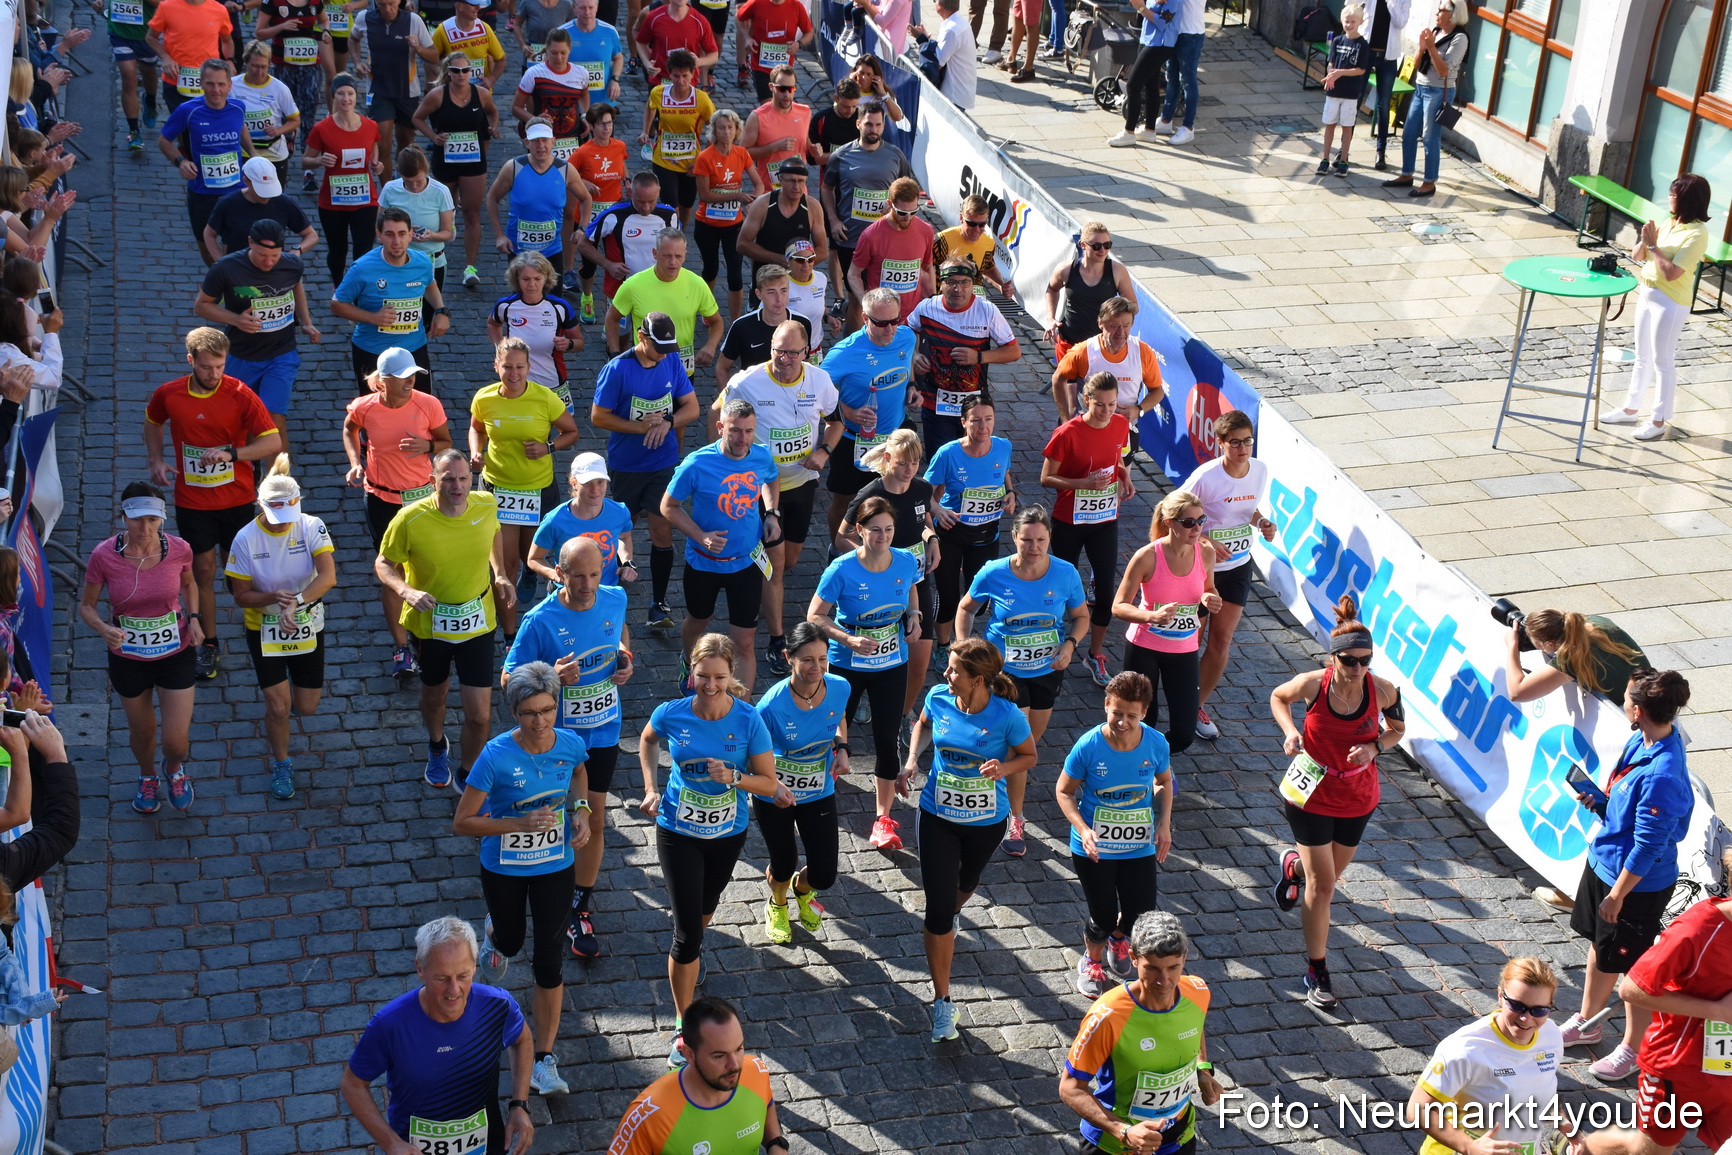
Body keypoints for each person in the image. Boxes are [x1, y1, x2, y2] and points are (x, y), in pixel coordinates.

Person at [637, 633, 790, 1064]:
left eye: (719, 678)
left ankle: (692, 958)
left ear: (730, 676)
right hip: (677, 829)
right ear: (691, 671)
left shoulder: (748, 720)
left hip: (726, 833)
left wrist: (734, 778)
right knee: (686, 934)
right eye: (702, 676)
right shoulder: (672, 713)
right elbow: (647, 740)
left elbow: (768, 782)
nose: (710, 685)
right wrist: (651, 787)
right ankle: (683, 1030)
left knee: (703, 914)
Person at [454, 660, 592, 1095]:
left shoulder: (569, 744)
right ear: (515, 713)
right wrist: (518, 825)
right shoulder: (495, 755)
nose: (540, 721)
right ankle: (495, 932)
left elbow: (580, 772)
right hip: (504, 868)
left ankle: (544, 1059)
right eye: (530, 712)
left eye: (548, 710)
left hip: (555, 864)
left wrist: (583, 811)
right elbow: (464, 822)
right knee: (512, 942)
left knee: (548, 960)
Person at [1267, 593, 1406, 1009]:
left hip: (1357, 797)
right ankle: (1317, 967)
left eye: (1366, 660)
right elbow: (1278, 697)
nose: (1359, 668)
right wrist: (1291, 732)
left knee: (1325, 877)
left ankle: (1292, 866)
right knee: (1323, 886)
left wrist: (1375, 748)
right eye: (1350, 661)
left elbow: (1398, 729)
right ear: (1334, 659)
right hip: (1310, 793)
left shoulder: (1383, 690)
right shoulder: (1313, 684)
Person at [1558, 668, 1695, 1083]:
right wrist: (1602, 803)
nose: (1621, 703)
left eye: (1625, 698)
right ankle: (1588, 1021)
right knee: (1603, 948)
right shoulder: (1644, 738)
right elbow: (1628, 812)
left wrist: (1617, 896)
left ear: (1637, 709)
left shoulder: (1663, 772)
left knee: (1635, 970)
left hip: (1633, 886)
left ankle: (1634, 1049)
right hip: (1607, 862)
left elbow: (1650, 845)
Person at [898, 637, 1035, 1041]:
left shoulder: (1007, 715)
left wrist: (1003, 766)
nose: (946, 674)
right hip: (937, 812)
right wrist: (911, 763)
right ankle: (942, 1002)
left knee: (967, 882)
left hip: (985, 821)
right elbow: (922, 724)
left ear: (978, 680)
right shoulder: (940, 697)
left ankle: (956, 908)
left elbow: (1029, 756)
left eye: (955, 670)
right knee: (938, 910)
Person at [145, 326, 284, 683]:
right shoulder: (170, 393)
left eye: (220, 366)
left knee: (238, 572)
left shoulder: (240, 394)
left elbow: (272, 443)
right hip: (193, 500)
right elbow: (153, 420)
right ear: (191, 361)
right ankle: (209, 643)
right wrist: (156, 461)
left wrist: (233, 454)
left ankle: (264, 626)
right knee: (203, 571)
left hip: (236, 499)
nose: (214, 374)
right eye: (207, 367)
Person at [375, 448, 516, 789]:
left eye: (463, 478)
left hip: (478, 621)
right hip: (430, 627)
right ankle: (438, 745)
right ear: (431, 481)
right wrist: (406, 591)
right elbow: (382, 563)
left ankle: (468, 772)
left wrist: (499, 573)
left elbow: (494, 532)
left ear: (472, 478)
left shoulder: (485, 505)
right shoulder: (409, 519)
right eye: (448, 479)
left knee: (480, 714)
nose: (457, 486)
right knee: (434, 696)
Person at [955, 505, 1087, 857]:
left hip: (1047, 670)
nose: (1033, 547)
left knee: (1024, 748)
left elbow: (1080, 617)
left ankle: (998, 786)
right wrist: (962, 647)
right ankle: (1015, 818)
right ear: (1014, 538)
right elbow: (966, 607)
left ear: (1049, 539)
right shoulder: (994, 572)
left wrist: (1070, 645)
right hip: (1005, 672)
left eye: (1040, 540)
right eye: (1026, 540)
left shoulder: (1065, 573)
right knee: (1019, 745)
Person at [341, 917, 535, 1155]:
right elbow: (352, 1083)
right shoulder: (390, 1024)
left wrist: (519, 1105)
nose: (454, 990)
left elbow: (522, 1039)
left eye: (463, 976)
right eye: (442, 979)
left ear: (474, 966)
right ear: (420, 969)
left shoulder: (497, 1007)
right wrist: (391, 1142)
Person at [714, 320, 842, 675]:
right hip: (759, 489)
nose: (784, 359)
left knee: (789, 560)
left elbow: (837, 421)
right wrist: (733, 459)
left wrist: (825, 452)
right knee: (774, 568)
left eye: (792, 352)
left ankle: (756, 576)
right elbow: (717, 416)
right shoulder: (747, 381)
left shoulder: (819, 380)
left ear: (807, 351)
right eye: (777, 350)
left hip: (801, 482)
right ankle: (776, 638)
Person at [1584, 854, 1732, 1155]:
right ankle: (1580, 1146)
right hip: (1678, 1068)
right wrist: (1719, 1012)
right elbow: (1633, 989)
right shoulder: (1699, 928)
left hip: (1726, 1072)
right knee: (1644, 1151)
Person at [80, 483, 200, 814]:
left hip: (176, 652)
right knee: (143, 731)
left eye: (152, 519)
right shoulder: (103, 555)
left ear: (162, 518)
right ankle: (147, 776)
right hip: (128, 657)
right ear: (123, 518)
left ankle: (173, 768)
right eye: (136, 520)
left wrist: (194, 617)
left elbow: (190, 585)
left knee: (176, 741)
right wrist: (105, 629)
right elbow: (87, 606)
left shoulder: (179, 549)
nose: (144, 528)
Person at [1059, 910, 1223, 1153]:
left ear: (1185, 959)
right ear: (1134, 957)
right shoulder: (1108, 1015)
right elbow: (1069, 1088)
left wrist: (1202, 1069)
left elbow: (1194, 1028)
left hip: (1178, 1137)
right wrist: (1122, 1131)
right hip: (1115, 1145)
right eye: (1153, 968)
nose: (1164, 981)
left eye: (1173, 967)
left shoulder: (1197, 992)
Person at [223, 455, 336, 801]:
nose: (280, 525)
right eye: (274, 519)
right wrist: (272, 598)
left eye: (286, 517)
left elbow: (329, 576)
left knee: (308, 705)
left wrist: (295, 603)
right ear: (261, 506)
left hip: (305, 623)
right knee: (278, 707)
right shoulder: (244, 539)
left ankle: (283, 715)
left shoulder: (311, 525)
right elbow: (240, 596)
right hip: (263, 628)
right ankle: (282, 762)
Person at [1057, 672, 1173, 996]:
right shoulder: (1089, 746)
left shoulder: (1155, 743)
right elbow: (1064, 791)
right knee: (1103, 913)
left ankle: (1118, 941)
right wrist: (1083, 830)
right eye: (1116, 712)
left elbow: (1164, 781)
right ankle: (1091, 961)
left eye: (1131, 716)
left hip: (1138, 844)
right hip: (1094, 846)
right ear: (1106, 704)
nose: (1123, 722)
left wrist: (1163, 824)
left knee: (1140, 912)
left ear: (1144, 713)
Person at [810, 492, 919, 826]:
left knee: (886, 740)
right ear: (859, 530)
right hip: (846, 663)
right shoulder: (841, 570)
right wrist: (848, 639)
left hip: (891, 662)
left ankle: (883, 818)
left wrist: (913, 614)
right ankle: (818, 786)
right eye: (875, 530)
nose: (883, 537)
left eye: (888, 529)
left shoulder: (904, 560)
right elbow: (815, 616)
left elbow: (911, 587)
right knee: (831, 730)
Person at [342, 347, 452, 680]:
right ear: (384, 381)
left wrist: (428, 447)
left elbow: (446, 442)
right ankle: (402, 647)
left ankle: (426, 628)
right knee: (391, 571)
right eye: (404, 378)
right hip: (381, 499)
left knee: (423, 564)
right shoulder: (365, 407)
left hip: (421, 498)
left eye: (413, 376)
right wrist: (354, 463)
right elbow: (350, 429)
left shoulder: (427, 404)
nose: (411, 382)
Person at [661, 400, 781, 692]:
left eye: (749, 431)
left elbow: (771, 479)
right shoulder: (697, 463)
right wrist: (700, 535)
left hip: (746, 562)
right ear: (720, 428)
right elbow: (668, 506)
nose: (743, 439)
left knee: (745, 641)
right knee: (699, 621)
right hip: (703, 563)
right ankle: (689, 663)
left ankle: (743, 709)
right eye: (735, 431)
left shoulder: (761, 455)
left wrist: (772, 513)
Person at [590, 312, 701, 626]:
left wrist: (668, 422)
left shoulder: (671, 361)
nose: (664, 352)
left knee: (661, 530)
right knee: (621, 528)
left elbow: (691, 407)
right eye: (658, 346)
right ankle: (607, 588)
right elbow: (598, 417)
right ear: (641, 337)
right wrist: (638, 428)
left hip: (662, 463)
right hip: (627, 464)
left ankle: (659, 603)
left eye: (669, 346)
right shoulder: (618, 370)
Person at [1408, 957, 1583, 1155]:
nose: (1526, 1018)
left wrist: (1564, 1123)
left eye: (1539, 1010)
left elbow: (1542, 1088)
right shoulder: (1465, 1049)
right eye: (1517, 1006)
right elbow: (1418, 1109)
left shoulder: (1550, 1036)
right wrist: (1469, 1147)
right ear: (1500, 995)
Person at [468, 337, 581, 630]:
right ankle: (508, 633)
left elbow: (571, 432)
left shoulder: (545, 398)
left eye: (520, 367)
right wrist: (475, 452)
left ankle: (532, 578)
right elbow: (476, 428)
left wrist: (549, 447)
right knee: (504, 567)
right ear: (496, 366)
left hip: (537, 489)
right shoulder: (484, 398)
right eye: (507, 367)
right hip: (498, 488)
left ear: (529, 367)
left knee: (531, 554)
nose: (514, 373)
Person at [1179, 409, 1276, 742]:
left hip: (1237, 568)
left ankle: (1194, 706)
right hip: (1200, 571)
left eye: (1248, 441)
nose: (1243, 448)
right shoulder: (1205, 478)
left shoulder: (1260, 470)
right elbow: (1174, 513)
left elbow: (1248, 510)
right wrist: (1204, 540)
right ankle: (1175, 696)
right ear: (1219, 443)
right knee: (1190, 641)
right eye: (1235, 443)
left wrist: (1262, 522)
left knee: (1220, 642)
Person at [752, 621, 847, 942]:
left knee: (825, 873)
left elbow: (838, 717)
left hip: (819, 789)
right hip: (774, 793)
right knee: (783, 863)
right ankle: (777, 903)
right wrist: (772, 786)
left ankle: (800, 888)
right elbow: (750, 755)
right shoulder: (770, 706)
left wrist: (842, 747)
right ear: (788, 657)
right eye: (807, 659)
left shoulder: (840, 687)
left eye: (823, 658)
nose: (817, 667)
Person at [1601, 174, 1712, 442]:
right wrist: (1645, 239)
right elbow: (1637, 256)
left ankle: (1658, 420)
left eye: (1673, 195)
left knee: (1663, 361)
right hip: (1648, 293)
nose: (1668, 198)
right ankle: (1630, 408)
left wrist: (1653, 245)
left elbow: (1672, 273)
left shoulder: (1697, 233)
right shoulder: (1670, 222)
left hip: (1670, 301)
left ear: (1685, 199)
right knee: (1642, 356)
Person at [194, 219, 320, 456]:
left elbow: (296, 287)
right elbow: (201, 306)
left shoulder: (292, 264)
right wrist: (236, 319)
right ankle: (249, 475)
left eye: (275, 256)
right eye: (262, 255)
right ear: (250, 242)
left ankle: (279, 485)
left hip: (281, 354)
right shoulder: (225, 268)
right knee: (242, 420)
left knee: (273, 419)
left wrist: (306, 322)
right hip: (242, 356)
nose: (269, 262)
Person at [1042, 371, 1136, 686]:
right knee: (1062, 587)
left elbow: (1116, 459)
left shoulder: (1122, 425)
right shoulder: (1067, 433)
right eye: (1100, 405)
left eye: (1112, 405)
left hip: (1104, 519)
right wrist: (1081, 483)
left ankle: (1094, 654)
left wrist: (1124, 476)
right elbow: (1046, 478)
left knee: (1106, 590)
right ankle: (1055, 642)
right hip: (1069, 521)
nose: (1107, 411)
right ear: (1086, 400)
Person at [838, 427, 936, 721]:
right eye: (902, 463)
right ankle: (866, 698)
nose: (909, 470)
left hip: (915, 581)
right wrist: (873, 561)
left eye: (915, 463)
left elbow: (923, 519)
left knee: (920, 660)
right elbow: (842, 537)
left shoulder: (921, 489)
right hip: (878, 586)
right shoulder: (871, 494)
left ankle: (901, 715)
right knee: (875, 654)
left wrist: (932, 539)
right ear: (888, 458)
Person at [1112, 490, 1219, 757]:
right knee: (1145, 721)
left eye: (1201, 520)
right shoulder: (1148, 556)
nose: (1197, 528)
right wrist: (1151, 617)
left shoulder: (1206, 553)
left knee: (1183, 734)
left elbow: (1209, 588)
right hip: (1144, 647)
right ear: (1170, 522)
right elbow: (1118, 606)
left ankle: (1152, 759)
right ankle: (1142, 770)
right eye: (1189, 522)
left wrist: (1209, 598)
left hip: (1183, 650)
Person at [608, 998, 787, 1149]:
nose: (735, 1065)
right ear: (689, 1054)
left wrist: (776, 1144)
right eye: (719, 1056)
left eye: (739, 1048)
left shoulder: (755, 1070)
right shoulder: (650, 1115)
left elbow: (766, 1103)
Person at [822, 285, 916, 538]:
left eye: (895, 321)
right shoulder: (845, 352)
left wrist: (912, 386)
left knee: (894, 498)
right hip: (854, 440)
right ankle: (838, 550)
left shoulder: (907, 338)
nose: (890, 329)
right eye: (881, 323)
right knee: (847, 503)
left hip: (894, 438)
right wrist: (849, 413)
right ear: (865, 318)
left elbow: (905, 364)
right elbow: (813, 392)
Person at [925, 395, 1014, 649]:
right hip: (951, 534)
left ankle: (961, 635)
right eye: (976, 421)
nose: (983, 427)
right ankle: (944, 646)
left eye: (988, 419)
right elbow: (923, 494)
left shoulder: (1002, 446)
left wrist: (1011, 493)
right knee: (948, 597)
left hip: (987, 536)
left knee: (981, 599)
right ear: (964, 422)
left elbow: (1005, 475)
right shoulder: (948, 453)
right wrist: (938, 510)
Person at [332, 206, 451, 393]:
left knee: (418, 409)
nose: (397, 241)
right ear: (379, 235)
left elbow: (429, 284)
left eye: (402, 234)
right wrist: (373, 318)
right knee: (376, 416)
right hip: (372, 350)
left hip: (414, 348)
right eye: (389, 234)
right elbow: (337, 304)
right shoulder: (362, 268)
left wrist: (440, 310)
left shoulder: (422, 262)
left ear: (410, 234)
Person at [908, 259, 1019, 456]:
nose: (958, 289)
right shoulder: (926, 308)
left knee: (973, 457)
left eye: (964, 282)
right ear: (940, 284)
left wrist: (979, 356)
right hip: (935, 401)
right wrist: (915, 355)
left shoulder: (987, 310)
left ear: (973, 285)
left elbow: (1013, 351)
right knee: (941, 459)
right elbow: (905, 336)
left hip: (974, 405)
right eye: (951, 282)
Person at [412, 52, 498, 287]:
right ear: (448, 72)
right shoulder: (437, 95)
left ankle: (470, 267)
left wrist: (493, 127)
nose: (461, 75)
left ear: (472, 72)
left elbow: (493, 111)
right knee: (443, 216)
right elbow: (417, 118)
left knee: (472, 213)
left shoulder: (481, 94)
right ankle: (438, 256)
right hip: (445, 162)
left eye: (466, 70)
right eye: (456, 70)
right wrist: (432, 136)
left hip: (473, 163)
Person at [822, 104, 912, 325]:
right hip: (851, 238)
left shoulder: (895, 156)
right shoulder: (841, 155)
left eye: (878, 125)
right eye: (869, 124)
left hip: (886, 239)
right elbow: (826, 188)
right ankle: (856, 344)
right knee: (856, 299)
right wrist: (833, 220)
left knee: (883, 296)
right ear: (858, 124)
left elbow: (908, 190)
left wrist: (893, 209)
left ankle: (882, 339)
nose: (874, 129)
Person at [158, 58, 253, 267]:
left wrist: (253, 154)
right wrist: (181, 162)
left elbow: (241, 128)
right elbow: (163, 140)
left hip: (235, 189)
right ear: (201, 83)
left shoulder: (238, 108)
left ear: (230, 85)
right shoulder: (187, 110)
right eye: (210, 83)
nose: (216, 90)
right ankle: (218, 277)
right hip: (202, 192)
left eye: (221, 84)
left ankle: (227, 282)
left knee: (234, 243)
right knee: (205, 243)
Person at [606, 227, 724, 376]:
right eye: (667, 256)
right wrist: (615, 353)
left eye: (678, 256)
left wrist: (711, 346)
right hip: (645, 369)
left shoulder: (697, 284)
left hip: (682, 371)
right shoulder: (633, 285)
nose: (673, 262)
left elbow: (716, 322)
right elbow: (612, 318)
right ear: (655, 254)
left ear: (685, 256)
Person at [1380, 0, 1468, 199]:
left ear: (1454, 14)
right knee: (1409, 133)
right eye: (1437, 9)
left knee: (1430, 137)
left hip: (1438, 92)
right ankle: (1406, 174)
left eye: (1442, 10)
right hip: (1420, 88)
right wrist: (1421, 48)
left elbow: (1444, 71)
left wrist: (1431, 47)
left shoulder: (1460, 38)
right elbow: (1418, 63)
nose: (1437, 13)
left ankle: (1429, 182)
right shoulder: (1436, 32)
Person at [487, 119, 593, 277]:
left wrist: (582, 228)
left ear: (553, 142)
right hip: (520, 251)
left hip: (552, 251)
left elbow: (586, 198)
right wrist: (500, 235)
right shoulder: (513, 168)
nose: (540, 145)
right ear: (527, 142)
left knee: (553, 300)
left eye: (545, 140)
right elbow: (491, 198)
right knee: (523, 299)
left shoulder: (565, 170)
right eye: (535, 140)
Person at [303, 73, 383, 284]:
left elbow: (373, 146)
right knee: (337, 251)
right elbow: (305, 161)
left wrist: (376, 163)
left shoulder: (370, 126)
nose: (346, 99)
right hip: (333, 202)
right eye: (340, 94)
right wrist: (320, 160)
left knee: (364, 250)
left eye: (350, 93)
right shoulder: (322, 129)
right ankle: (338, 286)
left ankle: (358, 288)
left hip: (365, 200)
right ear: (333, 97)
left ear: (356, 96)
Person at [349, 0, 439, 184]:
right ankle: (387, 192)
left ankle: (401, 181)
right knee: (383, 145)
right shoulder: (364, 18)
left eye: (391, 3)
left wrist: (418, 48)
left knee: (405, 144)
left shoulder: (413, 20)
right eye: (381, 4)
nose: (387, 9)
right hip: (378, 90)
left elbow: (434, 55)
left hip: (407, 91)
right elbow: (353, 38)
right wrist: (357, 62)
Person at [578, 170, 680, 321]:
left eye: (651, 201)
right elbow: (583, 244)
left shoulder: (669, 215)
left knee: (653, 335)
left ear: (659, 192)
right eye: (640, 201)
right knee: (619, 337)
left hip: (658, 286)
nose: (645, 207)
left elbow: (677, 246)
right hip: (620, 287)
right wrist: (608, 264)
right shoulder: (613, 214)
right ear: (630, 191)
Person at [693, 109, 764, 322]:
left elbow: (759, 183)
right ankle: (708, 310)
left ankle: (735, 322)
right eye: (721, 127)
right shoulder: (705, 157)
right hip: (707, 224)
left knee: (735, 275)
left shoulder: (741, 153)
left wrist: (754, 202)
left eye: (730, 127)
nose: (726, 132)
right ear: (714, 131)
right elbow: (704, 194)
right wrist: (736, 195)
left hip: (734, 225)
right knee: (711, 269)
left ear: (736, 130)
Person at [487, 251, 582, 408]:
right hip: (516, 383)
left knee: (563, 429)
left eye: (537, 279)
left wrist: (569, 344)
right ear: (517, 279)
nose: (531, 284)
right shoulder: (506, 306)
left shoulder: (560, 308)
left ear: (546, 279)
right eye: (525, 279)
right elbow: (493, 323)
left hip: (553, 383)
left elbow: (579, 342)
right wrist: (500, 349)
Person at [526, 453, 635, 589]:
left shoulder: (620, 512)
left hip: (607, 591)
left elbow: (625, 537)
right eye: (587, 483)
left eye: (600, 482)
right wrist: (556, 576)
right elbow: (534, 559)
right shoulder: (555, 520)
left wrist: (626, 562)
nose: (595, 490)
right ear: (574, 483)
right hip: (569, 596)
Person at [1051, 297, 1161, 430]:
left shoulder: (1142, 352)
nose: (1120, 333)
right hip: (1087, 430)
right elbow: (1058, 379)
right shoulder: (1083, 352)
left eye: (1126, 326)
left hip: (1124, 431)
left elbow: (1157, 391)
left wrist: (1138, 410)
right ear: (1100, 323)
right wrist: (1065, 419)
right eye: (1114, 326)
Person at [1505, 608, 1649, 707]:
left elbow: (1517, 692)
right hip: (1656, 693)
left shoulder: (1572, 658)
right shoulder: (1597, 622)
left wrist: (1512, 647)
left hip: (1630, 715)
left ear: (1550, 643)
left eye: (1538, 645)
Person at [1042, 222, 1137, 362]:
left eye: (1107, 245)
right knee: (1067, 384)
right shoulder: (1066, 269)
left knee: (1098, 384)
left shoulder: (1117, 271)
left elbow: (1133, 305)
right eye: (1096, 246)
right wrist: (1050, 318)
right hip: (1069, 342)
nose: (1102, 250)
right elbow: (1052, 289)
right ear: (1083, 245)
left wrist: (1115, 316)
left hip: (1102, 346)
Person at [638, 50, 712, 229]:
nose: (680, 81)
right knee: (671, 207)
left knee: (687, 206)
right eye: (676, 76)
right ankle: (673, 236)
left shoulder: (701, 99)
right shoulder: (658, 93)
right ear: (669, 74)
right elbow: (650, 106)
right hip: (663, 160)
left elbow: (714, 128)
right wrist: (645, 131)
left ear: (693, 74)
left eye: (685, 76)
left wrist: (702, 159)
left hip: (690, 162)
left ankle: (679, 234)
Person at [846, 177, 932, 330]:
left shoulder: (926, 231)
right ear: (889, 204)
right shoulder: (871, 235)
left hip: (913, 318)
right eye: (902, 212)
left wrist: (932, 301)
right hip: (882, 320)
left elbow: (926, 268)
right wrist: (866, 304)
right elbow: (853, 274)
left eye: (913, 211)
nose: (908, 218)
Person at [254, 0, 329, 167]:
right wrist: (282, 26)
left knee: (309, 109)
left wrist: (325, 32)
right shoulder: (273, 2)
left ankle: (308, 164)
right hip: (283, 66)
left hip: (310, 65)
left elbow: (324, 20)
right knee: (282, 109)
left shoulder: (315, 1)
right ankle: (284, 142)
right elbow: (259, 33)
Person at [715, 264, 812, 393]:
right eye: (771, 292)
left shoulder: (803, 323)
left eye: (783, 290)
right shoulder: (742, 326)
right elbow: (722, 367)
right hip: (754, 397)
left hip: (791, 396)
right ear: (758, 294)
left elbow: (806, 362)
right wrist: (729, 401)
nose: (779, 299)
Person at [569, 101, 627, 317]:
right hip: (589, 215)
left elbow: (622, 163)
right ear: (591, 126)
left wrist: (628, 179)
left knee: (617, 258)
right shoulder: (583, 152)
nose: (607, 128)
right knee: (589, 263)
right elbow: (566, 172)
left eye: (610, 123)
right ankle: (587, 296)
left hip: (614, 214)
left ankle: (615, 304)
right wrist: (582, 183)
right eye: (602, 124)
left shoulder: (620, 146)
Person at [739, 158, 828, 290]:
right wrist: (780, 259)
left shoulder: (813, 207)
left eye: (801, 181)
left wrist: (800, 264)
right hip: (766, 279)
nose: (796, 187)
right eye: (791, 181)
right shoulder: (762, 204)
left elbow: (822, 250)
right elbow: (742, 244)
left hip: (797, 281)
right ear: (780, 179)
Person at [204, 156, 319, 256]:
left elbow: (311, 235)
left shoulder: (283, 202)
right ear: (246, 181)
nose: (267, 196)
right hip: (238, 272)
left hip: (272, 270)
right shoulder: (228, 203)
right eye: (261, 190)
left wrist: (297, 249)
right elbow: (209, 234)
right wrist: (220, 263)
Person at [379, 146, 458, 291]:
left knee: (428, 310)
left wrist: (431, 235)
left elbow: (448, 233)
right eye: (408, 182)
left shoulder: (441, 192)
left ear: (426, 171)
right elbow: (378, 228)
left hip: (431, 261)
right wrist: (403, 235)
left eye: (418, 181)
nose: (414, 187)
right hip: (396, 260)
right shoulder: (390, 189)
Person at [509, 28, 589, 163]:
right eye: (554, 53)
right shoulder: (533, 74)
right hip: (542, 139)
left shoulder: (581, 73)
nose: (559, 58)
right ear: (546, 50)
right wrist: (535, 119)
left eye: (563, 53)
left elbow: (584, 95)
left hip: (572, 138)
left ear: (570, 50)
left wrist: (585, 116)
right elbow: (516, 107)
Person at [1108, 0, 1176, 148]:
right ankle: (1149, 130)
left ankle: (1129, 132)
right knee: (1150, 85)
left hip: (1160, 44)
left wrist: (1140, 7)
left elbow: (1163, 22)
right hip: (1147, 38)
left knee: (1133, 86)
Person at [231, 41, 300, 184]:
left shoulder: (279, 88)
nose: (259, 72)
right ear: (246, 62)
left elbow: (295, 120)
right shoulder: (232, 85)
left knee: (274, 198)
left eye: (264, 67)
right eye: (255, 66)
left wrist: (278, 130)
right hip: (242, 152)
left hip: (273, 153)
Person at [147, 0, 234, 113]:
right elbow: (150, 37)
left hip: (210, 82)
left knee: (205, 124)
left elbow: (227, 41)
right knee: (181, 125)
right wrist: (166, 58)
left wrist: (230, 60)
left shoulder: (220, 10)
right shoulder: (167, 7)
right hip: (175, 78)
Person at [740, 64, 813, 195]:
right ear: (771, 88)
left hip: (798, 192)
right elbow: (742, 154)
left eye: (791, 89)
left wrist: (812, 148)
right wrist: (773, 147)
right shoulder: (758, 117)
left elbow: (804, 143)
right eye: (782, 89)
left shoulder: (805, 112)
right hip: (769, 193)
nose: (786, 94)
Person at [1316, 4, 1371, 174]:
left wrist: (1339, 73)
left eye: (1352, 21)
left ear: (1360, 22)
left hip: (1350, 93)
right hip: (1334, 91)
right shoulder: (1338, 41)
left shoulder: (1362, 44)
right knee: (1330, 124)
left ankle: (1343, 159)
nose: (1349, 24)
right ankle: (1325, 158)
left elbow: (1361, 69)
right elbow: (1331, 62)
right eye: (1347, 21)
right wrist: (1331, 74)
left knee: (1347, 126)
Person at [932, 196, 1013, 302]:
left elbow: (988, 269)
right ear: (961, 218)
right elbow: (925, 269)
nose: (976, 229)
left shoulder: (988, 243)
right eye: (971, 224)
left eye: (982, 224)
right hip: (947, 302)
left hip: (975, 304)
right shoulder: (942, 240)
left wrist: (1001, 285)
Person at [106, 0, 163, 148]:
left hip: (146, 35)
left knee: (150, 74)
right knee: (128, 78)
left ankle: (150, 102)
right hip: (120, 33)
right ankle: (134, 132)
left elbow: (164, 4)